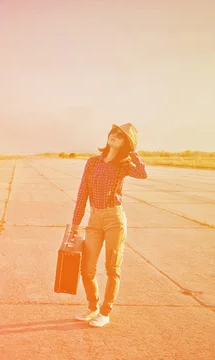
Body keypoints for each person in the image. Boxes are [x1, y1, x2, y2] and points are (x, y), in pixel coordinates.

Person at [71, 123, 147, 327]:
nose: (114, 135)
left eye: (120, 136)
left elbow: (142, 173)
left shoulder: (124, 164)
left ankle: (105, 312)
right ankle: (93, 307)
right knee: (87, 269)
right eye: (113, 133)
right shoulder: (93, 162)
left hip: (114, 219)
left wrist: (134, 152)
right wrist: (75, 224)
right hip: (94, 220)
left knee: (112, 268)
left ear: (126, 144)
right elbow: (81, 195)